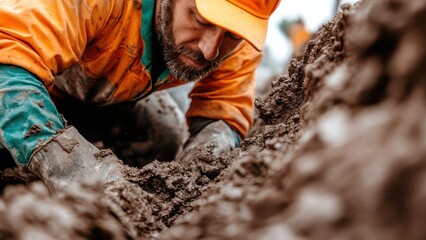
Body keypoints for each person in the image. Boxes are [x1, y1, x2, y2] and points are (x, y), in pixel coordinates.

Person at [0, 0, 281, 191]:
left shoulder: (233, 34)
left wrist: (195, 179)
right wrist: (78, 170)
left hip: (96, 103)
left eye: (231, 34)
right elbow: (6, 66)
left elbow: (224, 109)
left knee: (162, 134)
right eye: (200, 19)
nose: (210, 50)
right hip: (26, 87)